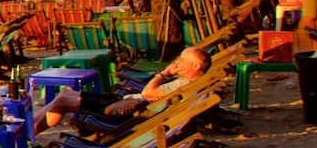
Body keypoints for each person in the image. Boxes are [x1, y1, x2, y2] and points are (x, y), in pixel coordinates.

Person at [35, 48, 210, 132]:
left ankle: (31, 132)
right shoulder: (191, 82)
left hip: (127, 111)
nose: (177, 61)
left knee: (63, 101)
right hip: (129, 102)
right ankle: (29, 128)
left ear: (195, 66)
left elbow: (148, 93)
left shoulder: (185, 85)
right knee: (65, 93)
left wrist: (164, 73)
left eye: (183, 59)